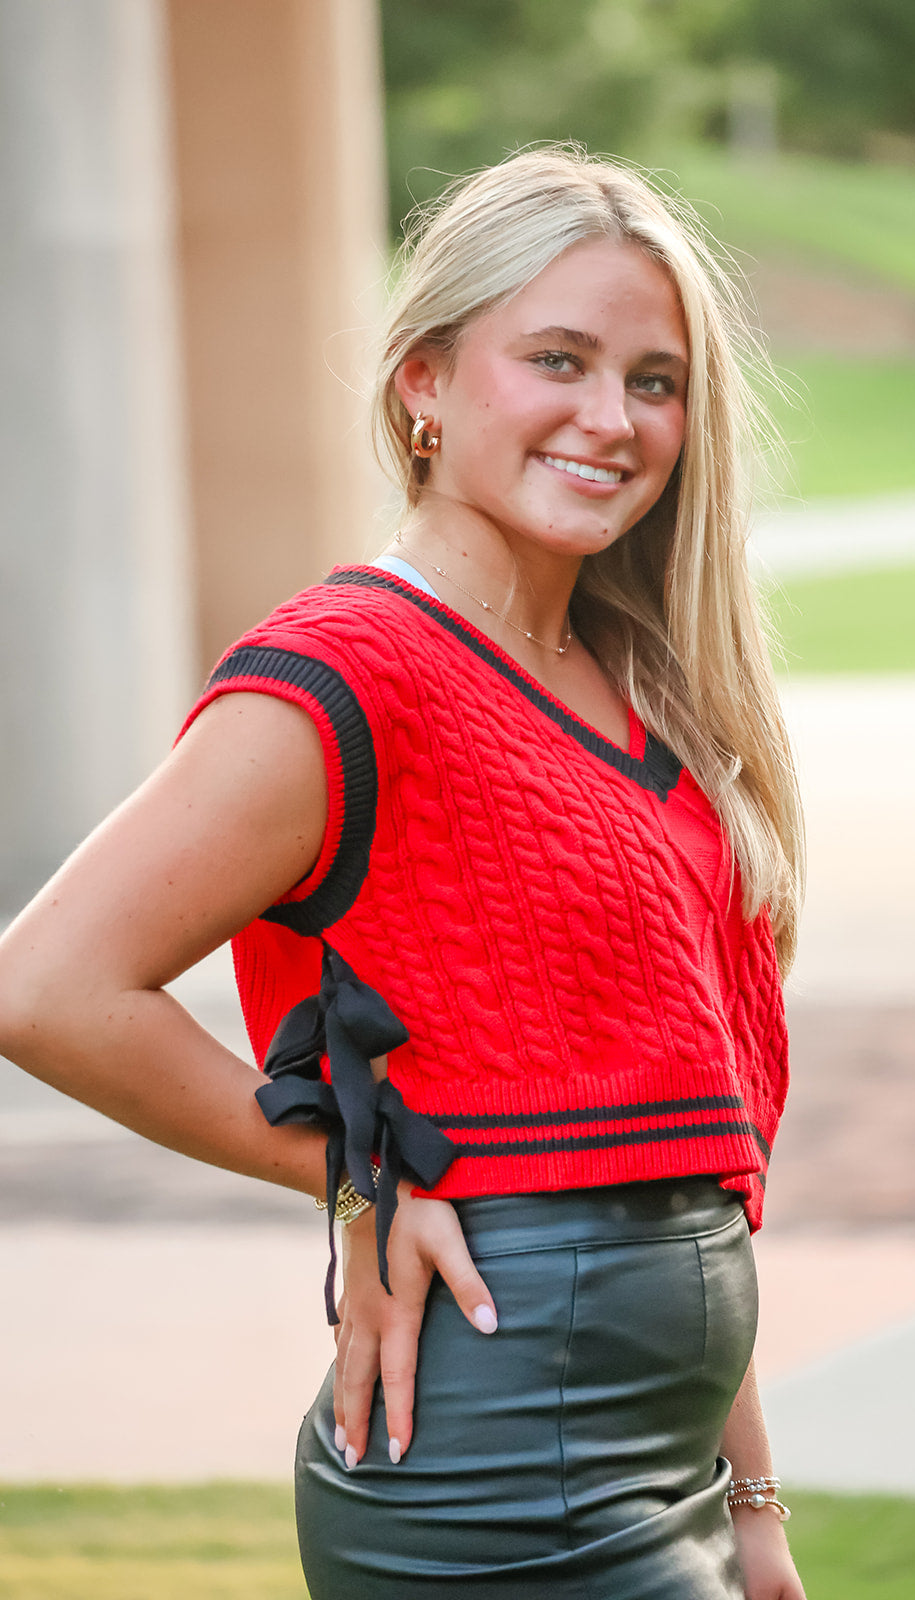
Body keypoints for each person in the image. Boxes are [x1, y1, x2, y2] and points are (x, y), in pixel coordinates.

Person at [0, 148, 806, 1598]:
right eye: (556, 359)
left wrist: (752, 1506)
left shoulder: (636, 688)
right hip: (493, 1474)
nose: (610, 419)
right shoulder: (352, 671)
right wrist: (350, 1181)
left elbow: (691, 1153)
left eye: (654, 379)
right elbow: (48, 988)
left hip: (665, 1467)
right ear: (424, 382)